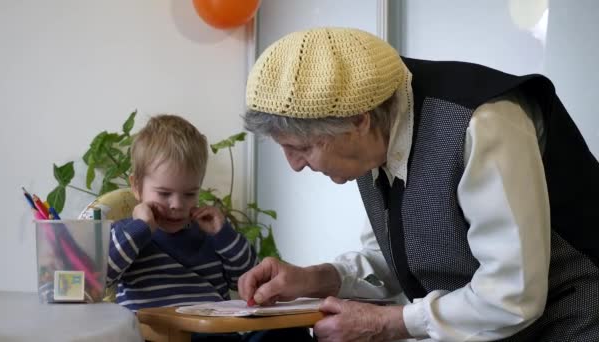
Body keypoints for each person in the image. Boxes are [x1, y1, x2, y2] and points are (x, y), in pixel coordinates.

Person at [238, 27, 599, 341]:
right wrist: (315, 279)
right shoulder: (372, 138)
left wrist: (388, 324)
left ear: (358, 122)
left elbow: (511, 294)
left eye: (301, 148)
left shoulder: (482, 123)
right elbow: (400, 257)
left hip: (576, 320)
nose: (295, 166)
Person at [107, 114, 312, 341]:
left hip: (219, 333)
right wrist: (141, 228)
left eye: (189, 194)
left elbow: (247, 279)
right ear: (136, 186)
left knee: (290, 333)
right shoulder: (127, 235)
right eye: (164, 194)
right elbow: (100, 276)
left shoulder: (209, 235)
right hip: (160, 336)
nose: (176, 205)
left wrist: (223, 235)